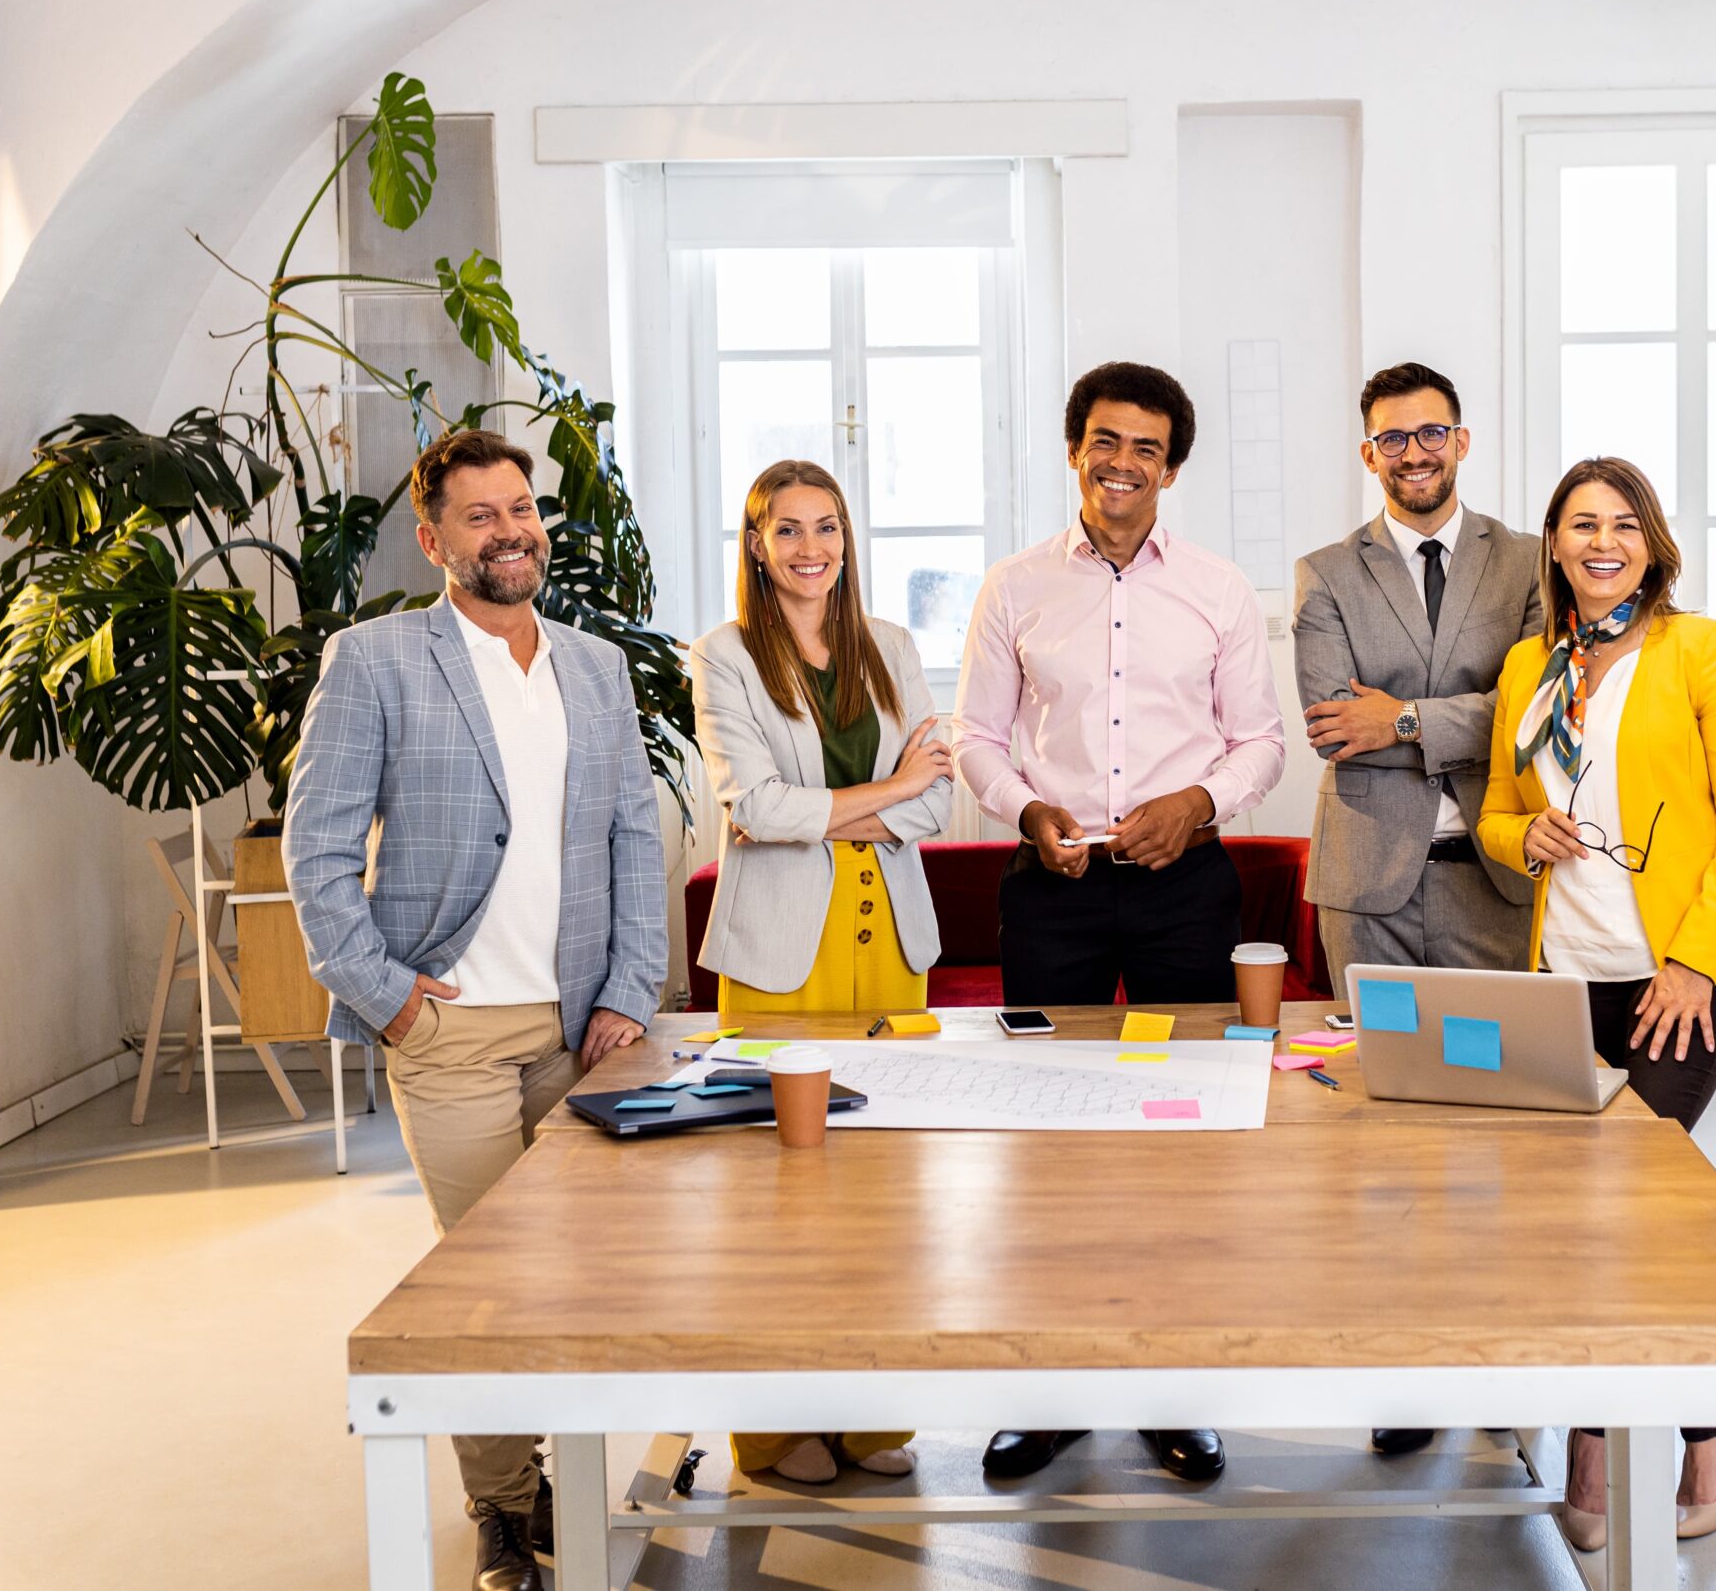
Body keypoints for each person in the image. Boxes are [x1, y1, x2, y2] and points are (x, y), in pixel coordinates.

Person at [285, 428, 666, 1591]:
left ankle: (564, 1481)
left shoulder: (596, 667)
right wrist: (388, 996)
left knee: (583, 1273)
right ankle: (504, 1507)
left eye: (521, 508)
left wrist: (629, 989)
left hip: (580, 1026)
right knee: (486, 1280)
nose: (511, 531)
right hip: (447, 1030)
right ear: (434, 536)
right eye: (481, 515)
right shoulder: (377, 659)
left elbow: (632, 836)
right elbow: (315, 848)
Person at [953, 359, 1286, 1488]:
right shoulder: (1013, 588)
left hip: (1185, 885)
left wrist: (1198, 805)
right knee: (1044, 1140)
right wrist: (1025, 808)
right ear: (1073, 450)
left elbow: (1260, 743)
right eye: (1105, 441)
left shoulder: (1218, 588)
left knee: (1183, 1135)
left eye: (1146, 447)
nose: (1122, 463)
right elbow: (978, 741)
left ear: (1172, 467)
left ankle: (1175, 1389)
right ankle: (1044, 1395)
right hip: (1051, 885)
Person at [1476, 454, 1716, 1552]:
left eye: (1622, 524)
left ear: (1651, 544)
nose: (1600, 542)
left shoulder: (1703, 650)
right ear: (1554, 547)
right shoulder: (1529, 666)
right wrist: (1527, 835)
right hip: (1565, 971)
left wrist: (1693, 961)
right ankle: (1703, 1433)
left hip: (1684, 974)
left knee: (1630, 1203)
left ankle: (1597, 1450)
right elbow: (1496, 814)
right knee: (1598, 1216)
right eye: (1578, 524)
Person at [1292, 360, 1542, 1460]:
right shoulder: (1322, 573)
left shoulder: (1529, 562)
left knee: (1490, 1122)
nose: (1413, 452)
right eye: (1391, 439)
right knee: (1383, 1128)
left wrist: (1402, 716)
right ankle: (1401, 1367)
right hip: (1371, 890)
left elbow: (1536, 709)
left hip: (1492, 883)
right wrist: (1448, 718)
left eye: (1430, 432)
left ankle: (1489, 1347)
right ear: (1368, 454)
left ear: (1462, 439)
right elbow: (1329, 719)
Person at [688, 459, 953, 1487]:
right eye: (788, 530)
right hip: (777, 954)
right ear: (756, 544)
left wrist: (844, 804)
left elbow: (938, 807)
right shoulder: (723, 655)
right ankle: (771, 1429)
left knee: (886, 1188)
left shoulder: (889, 645)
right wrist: (886, 787)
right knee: (777, 1198)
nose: (811, 549)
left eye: (828, 527)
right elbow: (751, 807)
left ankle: (872, 1422)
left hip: (888, 938)